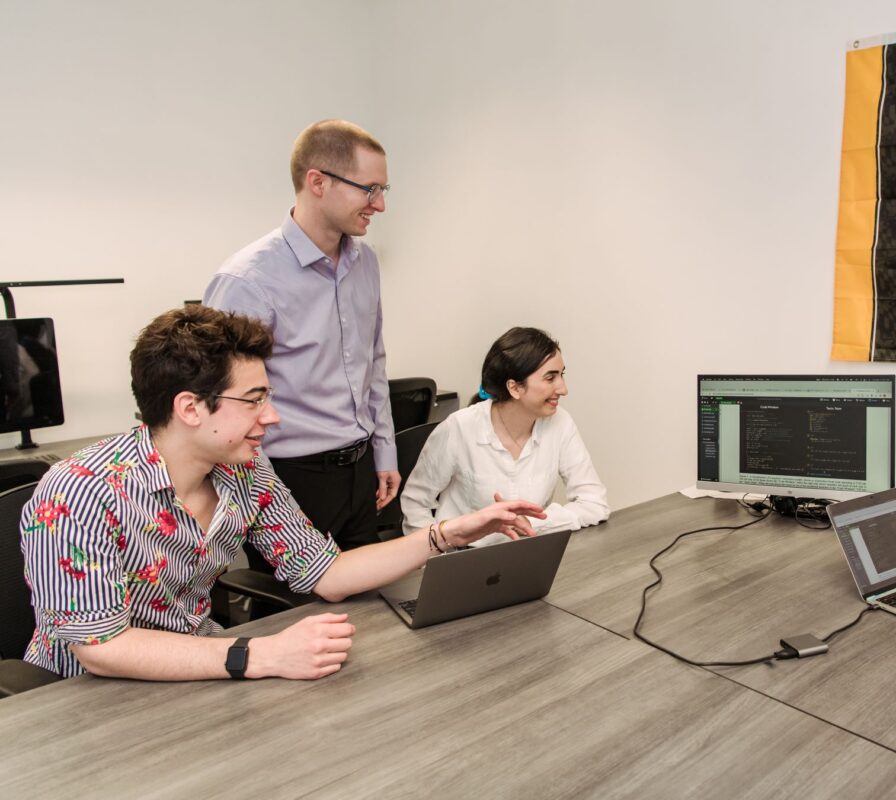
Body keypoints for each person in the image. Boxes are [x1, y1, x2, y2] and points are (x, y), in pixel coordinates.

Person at [19, 306, 544, 681]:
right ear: (190, 408)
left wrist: (448, 532)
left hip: (200, 669)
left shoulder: (246, 474)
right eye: (254, 400)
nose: (271, 417)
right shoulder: (79, 492)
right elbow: (101, 650)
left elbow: (329, 573)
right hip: (82, 699)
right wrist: (260, 655)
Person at [203, 119, 397, 556]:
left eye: (384, 190)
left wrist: (384, 450)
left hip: (360, 467)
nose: (380, 204)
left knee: (368, 609)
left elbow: (374, 361)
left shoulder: (364, 263)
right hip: (289, 477)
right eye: (369, 189)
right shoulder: (247, 280)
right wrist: (264, 498)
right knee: (297, 616)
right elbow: (226, 404)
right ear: (318, 182)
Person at [400, 327, 608, 540]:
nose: (563, 389)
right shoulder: (459, 428)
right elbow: (415, 504)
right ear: (514, 388)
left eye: (561, 375)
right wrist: (437, 556)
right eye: (550, 378)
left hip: (529, 553)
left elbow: (594, 503)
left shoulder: (560, 423)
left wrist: (532, 523)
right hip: (462, 558)